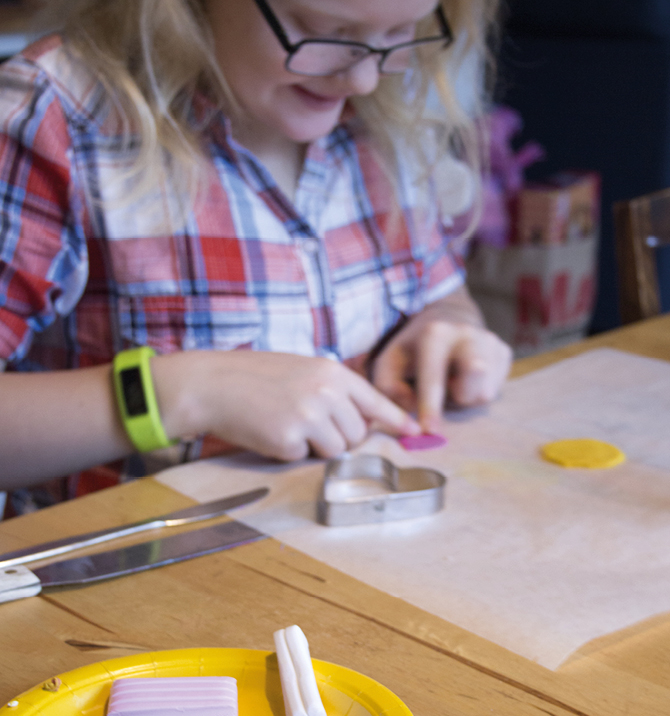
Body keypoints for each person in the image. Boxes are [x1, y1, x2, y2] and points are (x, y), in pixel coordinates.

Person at [0, 0, 511, 511]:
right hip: (129, 575)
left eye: (402, 32)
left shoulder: (392, 110)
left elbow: (443, 297)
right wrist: (183, 392)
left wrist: (450, 323)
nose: (363, 80)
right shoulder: (54, 117)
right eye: (323, 32)